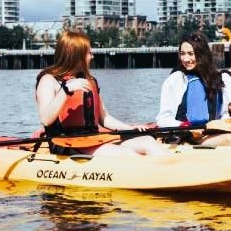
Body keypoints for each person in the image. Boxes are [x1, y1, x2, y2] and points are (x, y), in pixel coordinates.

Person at [36, 30, 168, 156]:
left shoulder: (89, 81)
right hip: (66, 143)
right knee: (127, 154)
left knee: (148, 142)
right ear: (75, 55)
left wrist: (129, 128)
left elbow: (104, 118)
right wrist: (65, 90)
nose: (92, 57)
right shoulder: (48, 80)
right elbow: (45, 119)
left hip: (92, 139)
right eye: (89, 53)